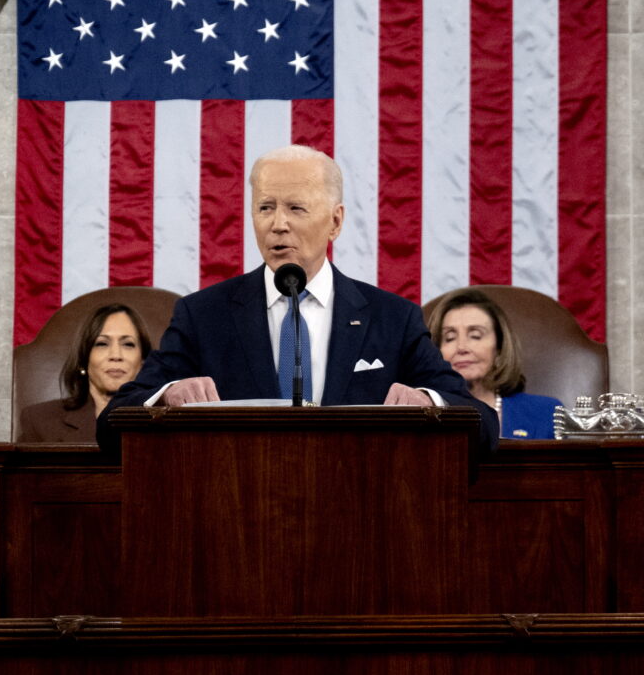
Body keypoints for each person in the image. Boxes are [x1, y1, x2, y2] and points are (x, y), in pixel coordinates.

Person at [102, 145, 498, 448]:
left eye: (295, 208)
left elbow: (482, 425)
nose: (278, 225)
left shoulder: (392, 318)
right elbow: (112, 424)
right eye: (265, 207)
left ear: (336, 221)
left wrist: (427, 402)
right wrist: (166, 395)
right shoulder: (204, 315)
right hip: (236, 518)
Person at [425, 289, 563, 440]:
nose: (462, 347)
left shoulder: (545, 412)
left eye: (475, 336)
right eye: (449, 338)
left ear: (499, 348)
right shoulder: (422, 415)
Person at [18, 303, 150, 442]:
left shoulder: (167, 422)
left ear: (143, 361)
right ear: (84, 358)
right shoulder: (39, 421)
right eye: (102, 344)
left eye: (128, 344)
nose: (116, 355)